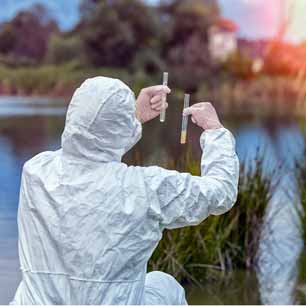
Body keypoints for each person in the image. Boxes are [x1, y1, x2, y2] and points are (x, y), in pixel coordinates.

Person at [11, 77, 239, 305]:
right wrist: (215, 131)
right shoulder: (144, 189)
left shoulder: (35, 172)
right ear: (119, 127)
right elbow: (221, 192)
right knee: (165, 286)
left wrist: (134, 117)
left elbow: (85, 150)